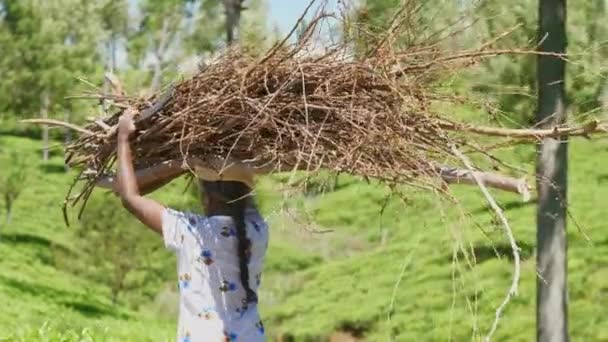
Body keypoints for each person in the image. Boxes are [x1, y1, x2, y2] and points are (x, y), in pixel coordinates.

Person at [107, 108, 269, 341]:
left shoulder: (191, 231)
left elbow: (130, 197)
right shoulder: (259, 231)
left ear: (205, 197)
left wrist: (123, 139)